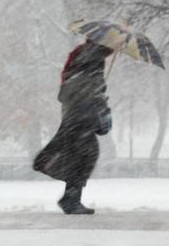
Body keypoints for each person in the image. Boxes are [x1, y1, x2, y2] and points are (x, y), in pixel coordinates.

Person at [33, 40, 114, 215]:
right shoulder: (94, 59)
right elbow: (91, 89)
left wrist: (97, 93)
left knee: (81, 157)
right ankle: (70, 199)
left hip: (74, 116)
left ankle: (71, 198)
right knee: (84, 157)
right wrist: (100, 98)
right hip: (81, 117)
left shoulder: (82, 57)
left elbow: (68, 90)